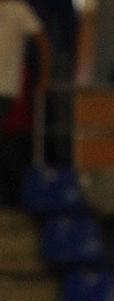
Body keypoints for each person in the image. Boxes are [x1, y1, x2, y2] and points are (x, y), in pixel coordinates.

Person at [0, 0, 52, 206]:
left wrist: (44, 77)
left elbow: (42, 41)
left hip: (5, 88)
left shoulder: (19, 9)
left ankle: (10, 198)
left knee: (7, 144)